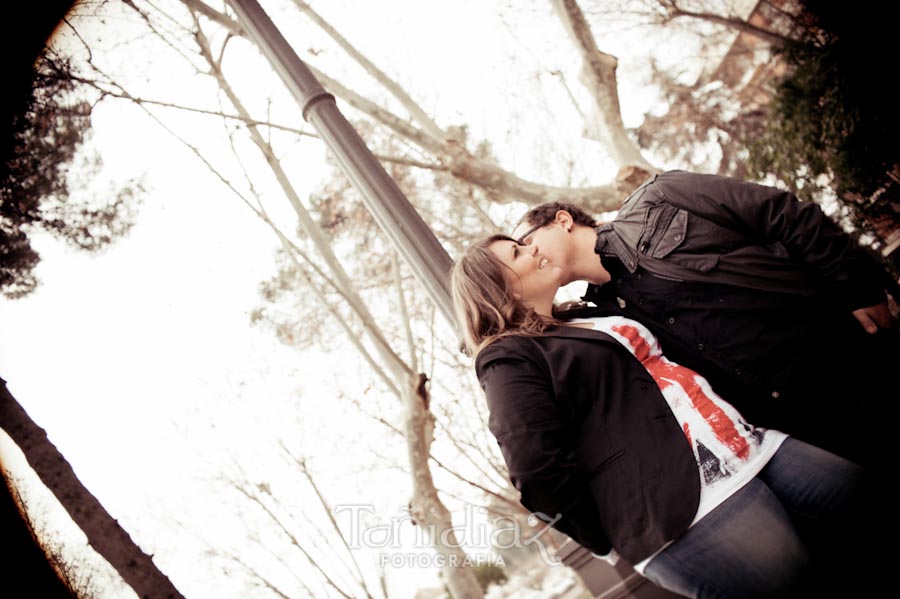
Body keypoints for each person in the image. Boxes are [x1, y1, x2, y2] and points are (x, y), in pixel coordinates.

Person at [450, 234, 865, 598]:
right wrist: (608, 539)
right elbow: (536, 468)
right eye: (518, 252)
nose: (533, 247)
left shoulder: (582, 318)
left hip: (750, 445)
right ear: (498, 288)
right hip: (688, 509)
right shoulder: (507, 356)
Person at [512, 170, 899, 465]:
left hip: (846, 357)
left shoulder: (661, 197)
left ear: (563, 220)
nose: (528, 257)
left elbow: (783, 213)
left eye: (527, 241)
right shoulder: (605, 317)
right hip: (799, 426)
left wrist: (857, 288)